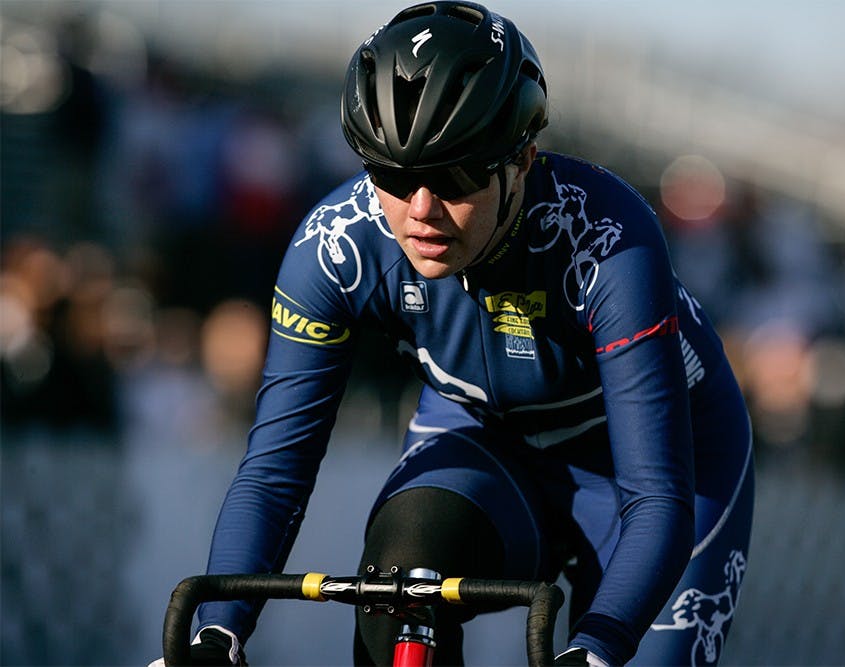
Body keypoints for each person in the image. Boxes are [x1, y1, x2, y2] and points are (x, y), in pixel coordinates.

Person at [161, 2, 754, 665]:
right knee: (403, 566)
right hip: (485, 438)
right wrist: (216, 635)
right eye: (391, 173)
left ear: (524, 160)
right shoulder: (334, 247)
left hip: (653, 469)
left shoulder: (609, 243)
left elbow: (655, 496)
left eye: (453, 177)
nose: (419, 209)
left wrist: (599, 645)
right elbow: (274, 470)